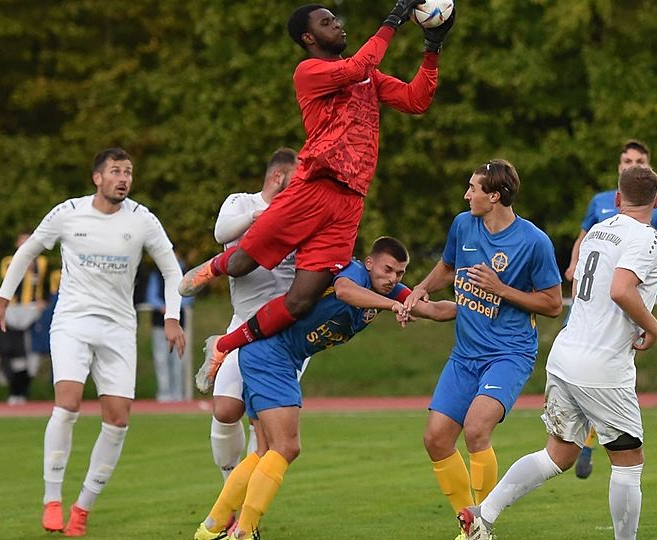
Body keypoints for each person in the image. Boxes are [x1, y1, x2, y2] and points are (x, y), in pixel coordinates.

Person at [180, 2, 456, 377]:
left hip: (349, 200)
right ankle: (210, 269)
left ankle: (222, 346)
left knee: (300, 300)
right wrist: (393, 20)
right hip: (313, 187)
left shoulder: (367, 78)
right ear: (309, 38)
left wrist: (432, 46)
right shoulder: (309, 71)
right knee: (244, 263)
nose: (337, 26)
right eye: (327, 22)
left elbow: (416, 100)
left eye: (336, 19)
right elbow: (357, 66)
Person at [193, 237, 455, 540]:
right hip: (271, 354)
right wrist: (393, 304)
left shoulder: (391, 291)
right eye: (387, 270)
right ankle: (244, 531)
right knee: (287, 447)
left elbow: (433, 310)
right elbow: (344, 291)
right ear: (370, 263)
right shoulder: (354, 273)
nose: (393, 278)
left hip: (274, 357)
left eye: (399, 273)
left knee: (265, 450)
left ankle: (211, 528)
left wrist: (477, 307)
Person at [0, 147, 186, 536]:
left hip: (118, 329)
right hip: (72, 322)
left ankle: (83, 508)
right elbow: (27, 251)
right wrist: (2, 300)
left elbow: (171, 269)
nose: (123, 178)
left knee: (118, 419)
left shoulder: (142, 219)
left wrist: (172, 317)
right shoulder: (67, 213)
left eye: (128, 172)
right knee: (69, 404)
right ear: (97, 178)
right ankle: (52, 499)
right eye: (115, 171)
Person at [457, 165, 657, 540]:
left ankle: (483, 515)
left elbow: (603, 279)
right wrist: (653, 326)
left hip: (566, 355)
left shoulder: (599, 232)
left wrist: (653, 278)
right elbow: (620, 289)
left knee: (559, 454)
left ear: (617, 199)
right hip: (602, 365)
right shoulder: (649, 238)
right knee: (628, 462)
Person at [402, 159, 563, 534]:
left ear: (494, 196)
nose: (467, 194)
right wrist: (421, 289)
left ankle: (484, 522)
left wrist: (502, 289)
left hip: (509, 354)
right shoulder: (464, 224)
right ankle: (469, 522)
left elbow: (554, 304)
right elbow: (446, 266)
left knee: (476, 428)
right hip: (465, 355)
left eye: (473, 188)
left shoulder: (533, 241)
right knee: (436, 438)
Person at [568, 139, 657, 479]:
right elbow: (585, 240)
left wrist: (645, 246)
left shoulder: (656, 214)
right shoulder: (599, 204)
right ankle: (595, 443)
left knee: (556, 452)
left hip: (605, 324)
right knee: (628, 457)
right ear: (619, 168)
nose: (631, 164)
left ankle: (587, 444)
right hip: (593, 311)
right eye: (627, 160)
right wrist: (574, 264)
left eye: (639, 160)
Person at [203, 148, 306, 483]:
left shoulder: (302, 212)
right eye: (297, 175)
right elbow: (221, 233)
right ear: (278, 176)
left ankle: (244, 515)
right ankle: (229, 493)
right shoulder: (241, 203)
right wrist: (261, 217)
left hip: (285, 335)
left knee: (262, 426)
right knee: (225, 410)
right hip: (243, 323)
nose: (303, 182)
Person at [0, 232, 49, 404]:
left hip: (32, 311)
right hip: (13, 309)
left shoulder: (42, 262)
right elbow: (9, 281)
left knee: (32, 353)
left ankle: (23, 391)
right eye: (22, 242)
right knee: (14, 351)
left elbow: (44, 285)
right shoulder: (8, 261)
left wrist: (42, 301)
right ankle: (13, 388)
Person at [147, 253, 193, 402]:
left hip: (180, 325)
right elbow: (151, 297)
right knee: (161, 359)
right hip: (159, 324)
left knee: (178, 361)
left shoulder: (185, 273)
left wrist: (174, 310)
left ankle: (178, 394)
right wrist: (166, 309)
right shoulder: (156, 273)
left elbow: (189, 296)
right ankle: (164, 394)